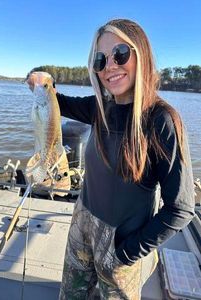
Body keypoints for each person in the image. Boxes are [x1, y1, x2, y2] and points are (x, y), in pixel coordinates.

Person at [28, 19, 195, 300]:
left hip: (121, 245)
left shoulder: (162, 121)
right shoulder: (99, 108)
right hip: (81, 227)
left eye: (120, 54)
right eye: (100, 60)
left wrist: (128, 252)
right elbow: (53, 101)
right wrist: (38, 77)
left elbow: (180, 208)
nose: (110, 66)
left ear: (141, 54)